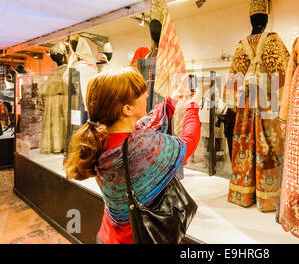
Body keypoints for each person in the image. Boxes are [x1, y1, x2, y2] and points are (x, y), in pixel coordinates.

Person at [64, 67, 201, 244]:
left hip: (108, 236)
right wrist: (192, 106)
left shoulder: (98, 137)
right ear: (127, 109)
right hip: (139, 237)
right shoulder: (140, 146)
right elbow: (188, 142)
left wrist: (175, 97)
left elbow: (147, 123)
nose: (146, 96)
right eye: (141, 93)